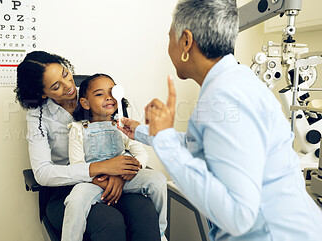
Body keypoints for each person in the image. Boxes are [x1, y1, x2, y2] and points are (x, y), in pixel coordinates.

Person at [118, 0, 322, 240]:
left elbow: (237, 215)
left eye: (169, 37)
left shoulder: (224, 97)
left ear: (186, 41)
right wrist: (147, 132)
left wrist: (164, 140)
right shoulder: (228, 83)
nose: (168, 47)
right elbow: (207, 145)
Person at [15, 51, 162, 241]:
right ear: (42, 93)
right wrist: (98, 170)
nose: (68, 86)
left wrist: (118, 175)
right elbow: (42, 173)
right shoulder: (38, 117)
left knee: (145, 211)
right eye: (56, 86)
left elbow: (130, 143)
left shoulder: (100, 93)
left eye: (65, 74)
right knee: (109, 221)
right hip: (67, 190)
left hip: (119, 180)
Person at [61, 73, 167, 241]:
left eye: (112, 92)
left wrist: (131, 171)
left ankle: (160, 234)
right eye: (99, 94)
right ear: (85, 103)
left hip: (124, 178)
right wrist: (105, 180)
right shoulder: (77, 129)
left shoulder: (122, 124)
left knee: (159, 180)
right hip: (94, 182)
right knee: (75, 200)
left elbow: (140, 153)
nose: (108, 98)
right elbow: (77, 165)